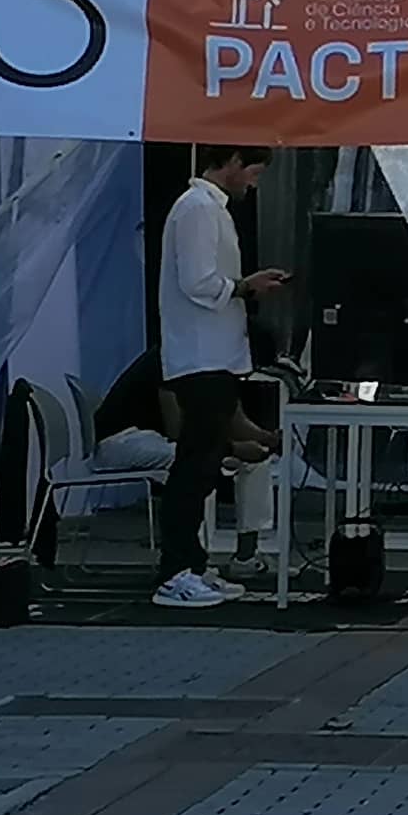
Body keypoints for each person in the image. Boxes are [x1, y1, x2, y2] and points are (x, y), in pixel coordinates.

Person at [152, 150, 284, 610]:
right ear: (231, 161)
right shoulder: (197, 209)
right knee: (195, 465)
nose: (254, 184)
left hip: (214, 356)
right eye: (253, 172)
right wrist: (244, 287)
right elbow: (198, 281)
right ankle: (176, 571)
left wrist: (242, 286)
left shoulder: (209, 210)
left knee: (204, 464)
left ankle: (191, 563)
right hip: (200, 357)